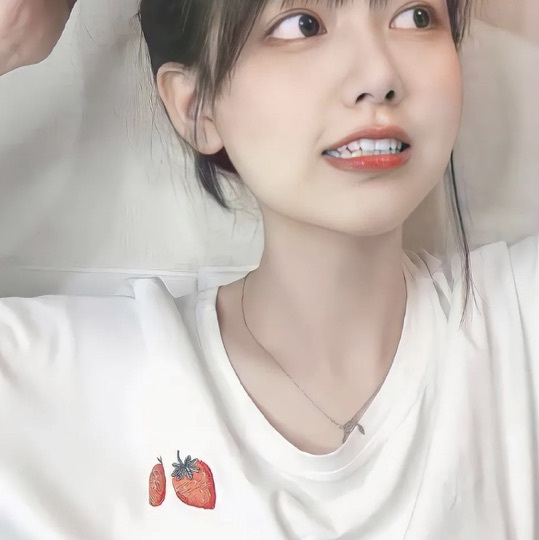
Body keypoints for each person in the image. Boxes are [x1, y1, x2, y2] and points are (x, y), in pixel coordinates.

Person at [0, 1, 537, 539]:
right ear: (195, 106)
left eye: (416, 16)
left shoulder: (516, 333)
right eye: (303, 25)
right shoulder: (81, 384)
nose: (379, 76)